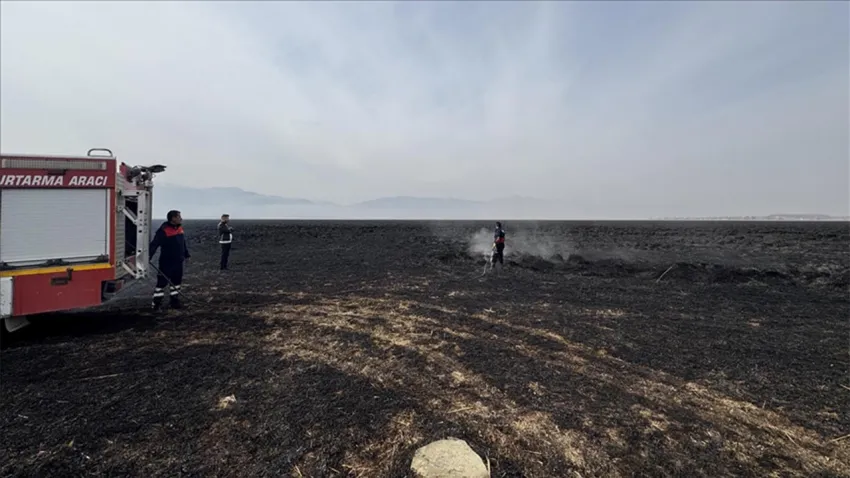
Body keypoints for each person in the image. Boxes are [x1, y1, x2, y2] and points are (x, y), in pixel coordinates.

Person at [149, 210, 190, 310]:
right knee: (162, 283)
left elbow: (182, 243)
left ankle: (174, 302)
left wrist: (186, 254)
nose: (181, 218)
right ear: (173, 218)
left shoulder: (179, 228)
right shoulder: (163, 231)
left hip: (178, 261)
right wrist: (148, 257)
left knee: (176, 282)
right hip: (166, 262)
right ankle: (156, 304)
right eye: (179, 216)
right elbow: (154, 244)